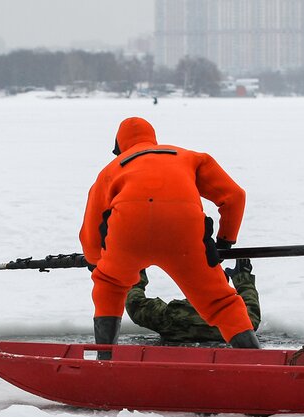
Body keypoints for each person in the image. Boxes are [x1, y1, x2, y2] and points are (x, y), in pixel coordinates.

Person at [79, 116, 260, 356]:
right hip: (183, 236)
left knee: (109, 285)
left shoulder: (111, 170)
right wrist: (224, 241)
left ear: (119, 146)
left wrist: (96, 263)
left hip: (127, 236)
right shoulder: (190, 157)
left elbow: (90, 231)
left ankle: (104, 357)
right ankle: (256, 361)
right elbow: (234, 196)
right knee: (220, 301)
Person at [126, 258, 261, 343]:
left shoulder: (172, 316)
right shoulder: (232, 321)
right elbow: (252, 318)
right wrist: (243, 279)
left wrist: (136, 268)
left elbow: (135, 304)